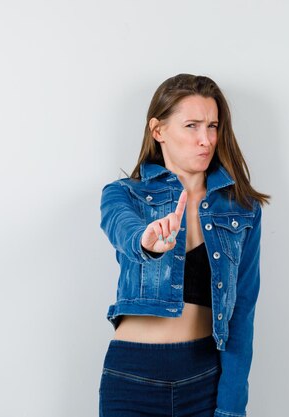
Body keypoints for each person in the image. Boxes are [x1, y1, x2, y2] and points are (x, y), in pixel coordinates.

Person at [98, 73, 271, 417]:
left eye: (212, 126)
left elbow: (242, 314)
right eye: (191, 125)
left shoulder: (242, 209)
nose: (205, 139)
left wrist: (232, 406)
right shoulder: (123, 194)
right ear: (158, 130)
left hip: (204, 379)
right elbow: (123, 230)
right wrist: (146, 241)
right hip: (132, 376)